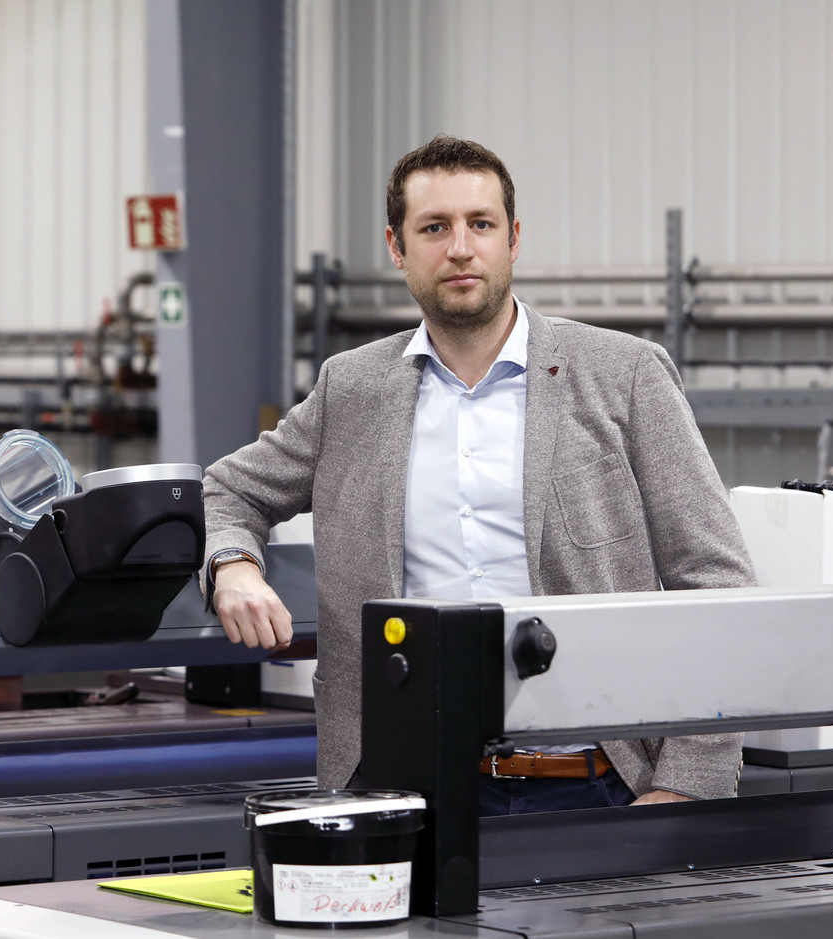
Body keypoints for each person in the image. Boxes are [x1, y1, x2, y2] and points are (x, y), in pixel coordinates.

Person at [201, 135, 757, 814]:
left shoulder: (624, 375)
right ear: (397, 248)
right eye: (434, 227)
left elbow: (718, 583)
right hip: (406, 786)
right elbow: (230, 488)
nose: (460, 248)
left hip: (596, 785)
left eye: (480, 224)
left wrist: (689, 780)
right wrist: (233, 564)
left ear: (513, 238)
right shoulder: (352, 390)